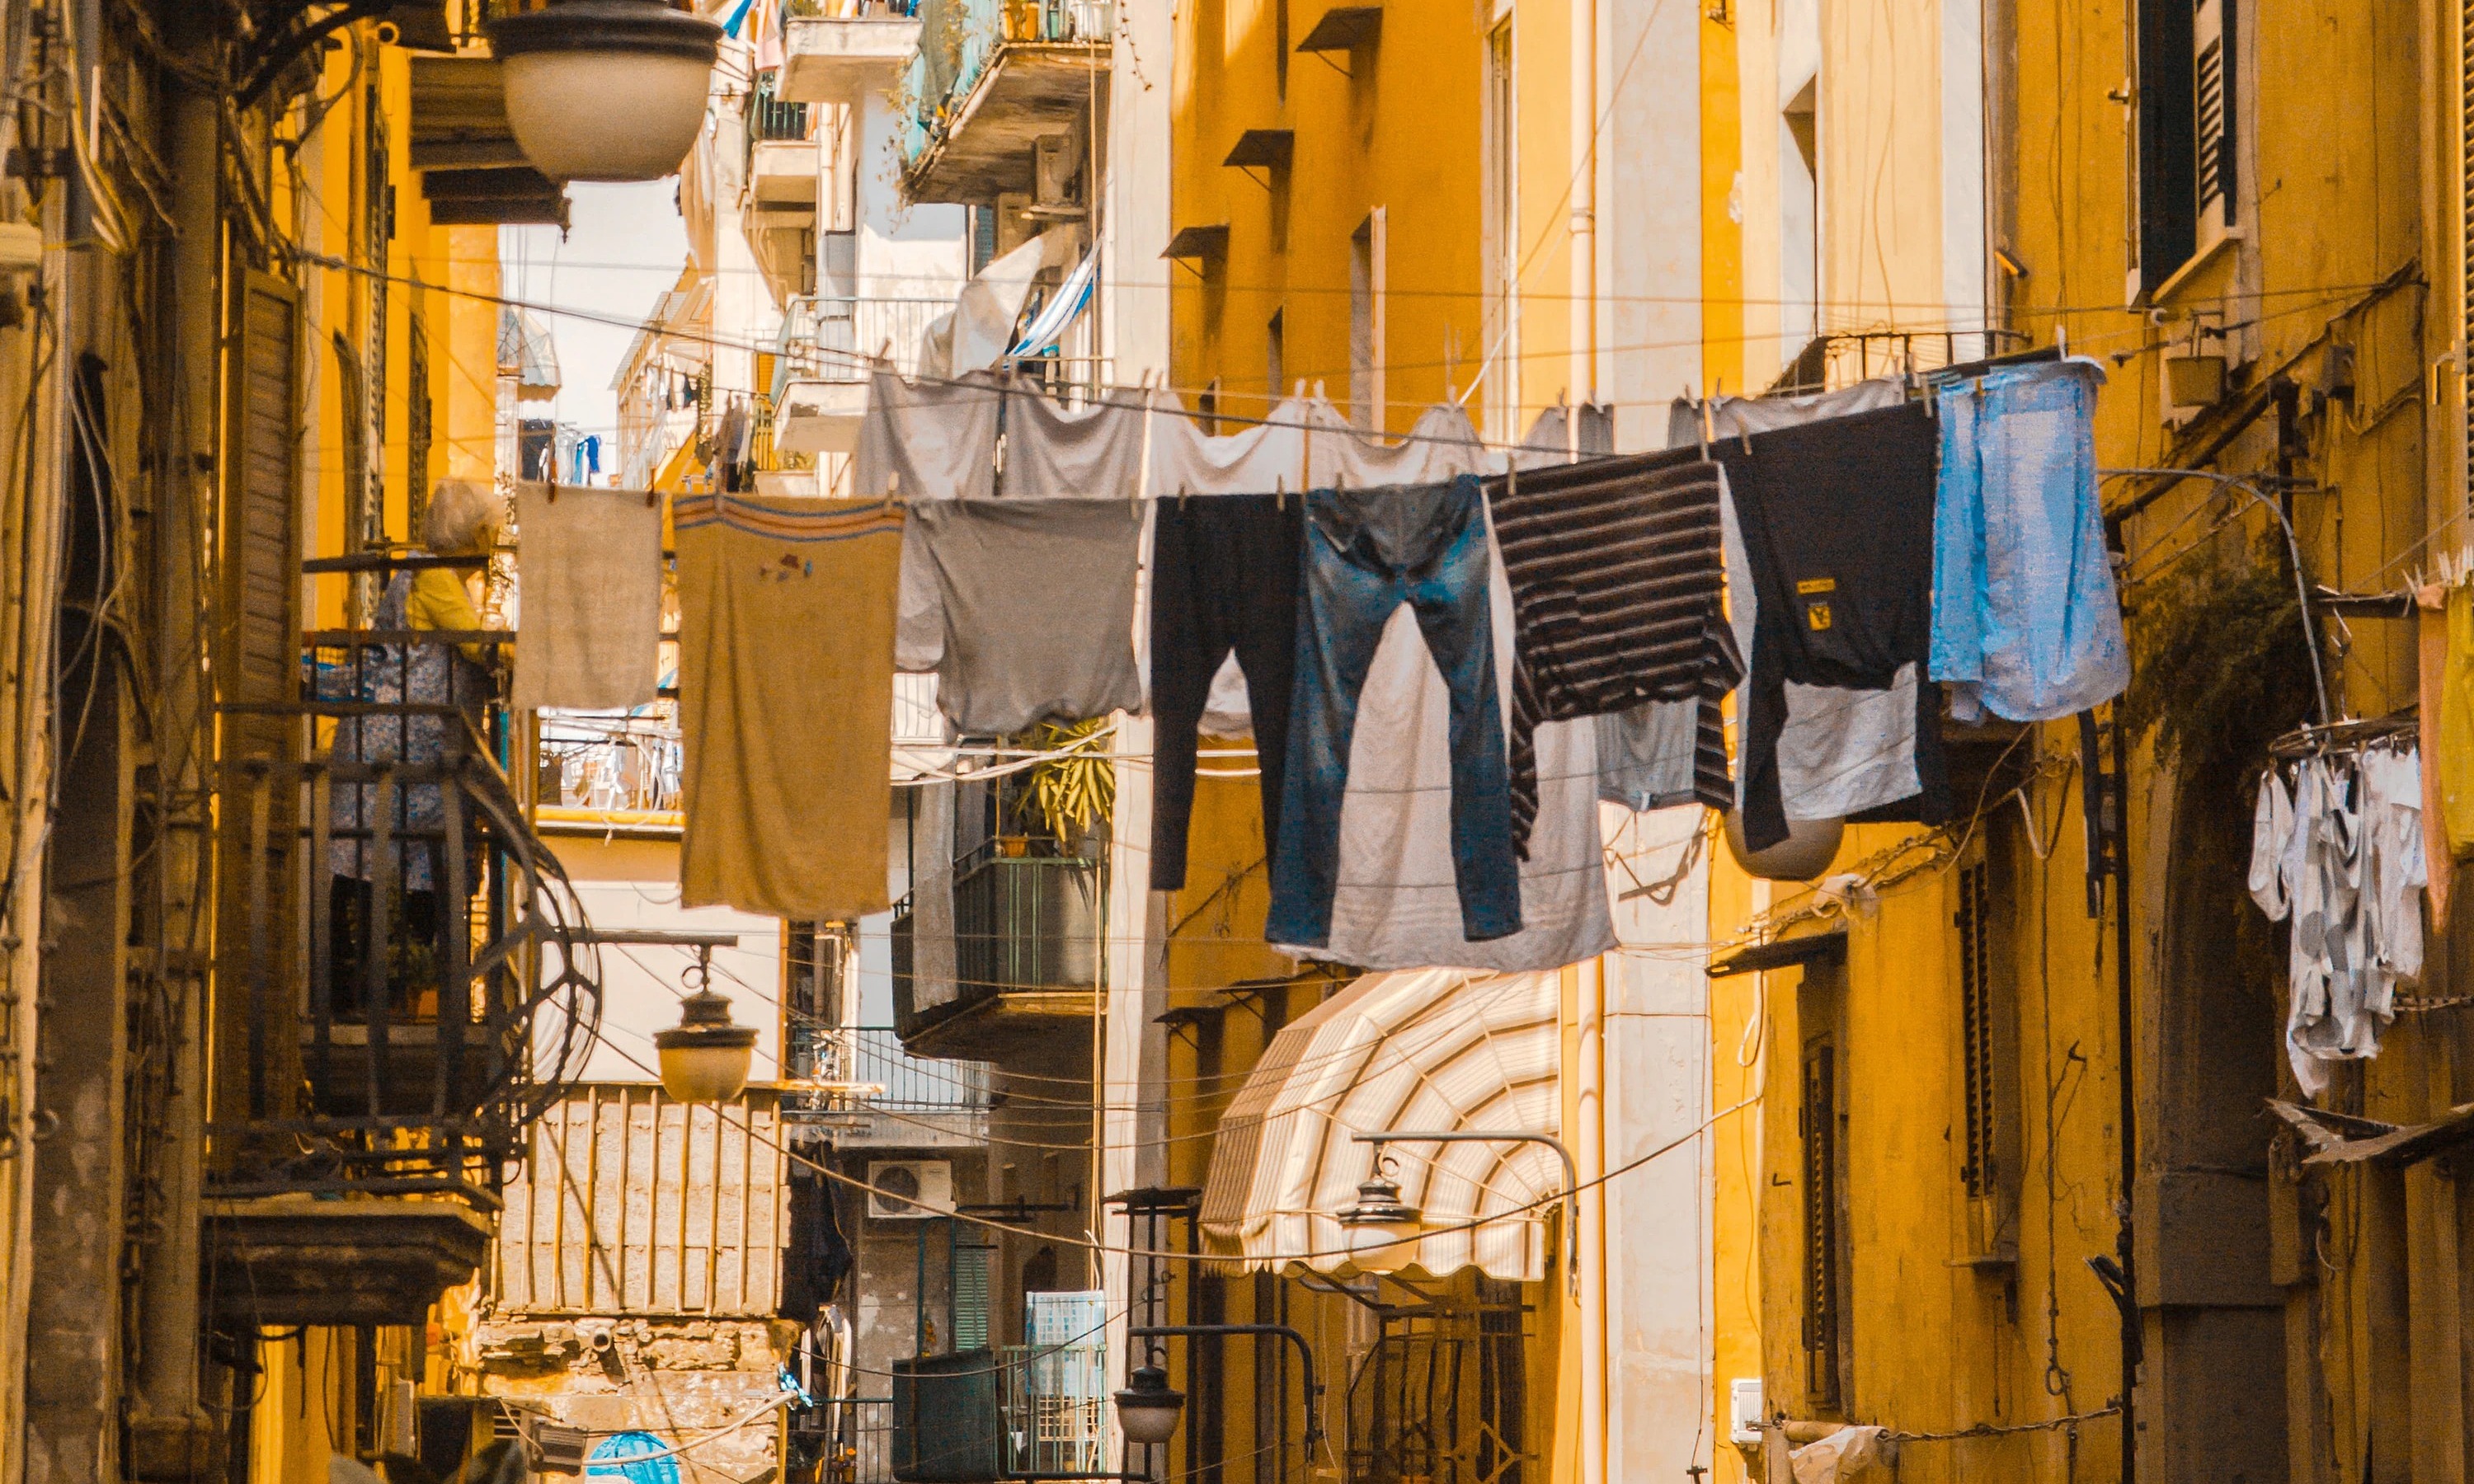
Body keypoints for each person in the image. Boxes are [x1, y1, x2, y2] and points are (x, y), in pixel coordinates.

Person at [326, 479, 504, 1022]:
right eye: (490, 533)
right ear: (472, 535)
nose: (494, 546)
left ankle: (358, 996)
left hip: (380, 748)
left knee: (363, 869)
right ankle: (405, 1000)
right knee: (422, 871)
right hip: (410, 755)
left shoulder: (414, 574)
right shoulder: (437, 579)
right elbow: (476, 645)